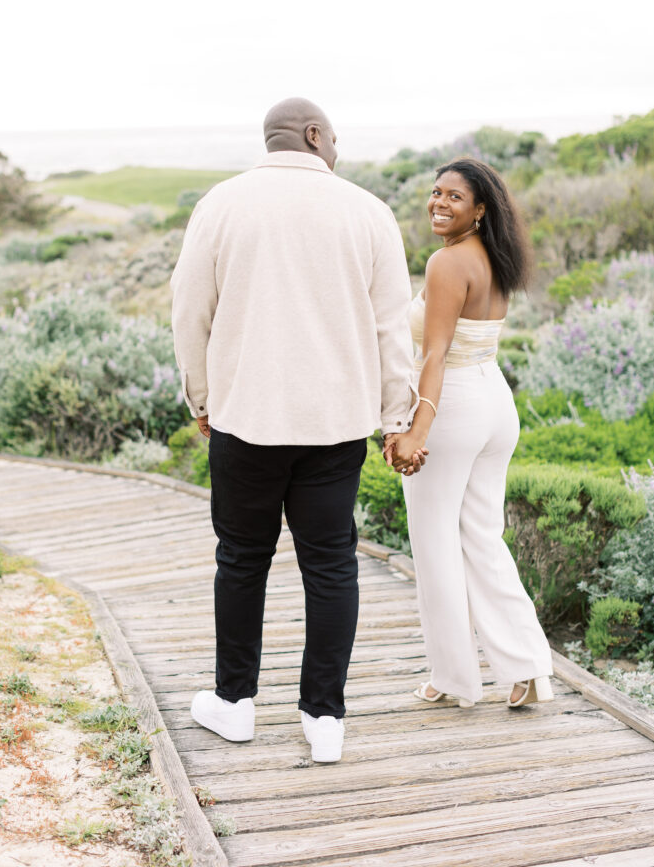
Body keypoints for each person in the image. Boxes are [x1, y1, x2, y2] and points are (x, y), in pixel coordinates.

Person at [170, 98, 419, 763]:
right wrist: (396, 417)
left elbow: (190, 310)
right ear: (313, 135)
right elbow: (393, 327)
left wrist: (201, 396)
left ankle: (234, 703)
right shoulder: (367, 211)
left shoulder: (221, 204)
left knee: (241, 561)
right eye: (332, 136)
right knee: (331, 565)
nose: (336, 146)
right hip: (335, 425)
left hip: (244, 418)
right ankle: (324, 718)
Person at [385, 157, 554, 709]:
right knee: (482, 537)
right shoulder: (495, 257)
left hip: (453, 404)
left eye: (454, 197)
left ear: (480, 209)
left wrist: (416, 429)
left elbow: (434, 353)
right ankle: (527, 666)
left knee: (436, 546)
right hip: (494, 401)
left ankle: (453, 678)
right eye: (435, 192)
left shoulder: (447, 263)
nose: (439, 202)